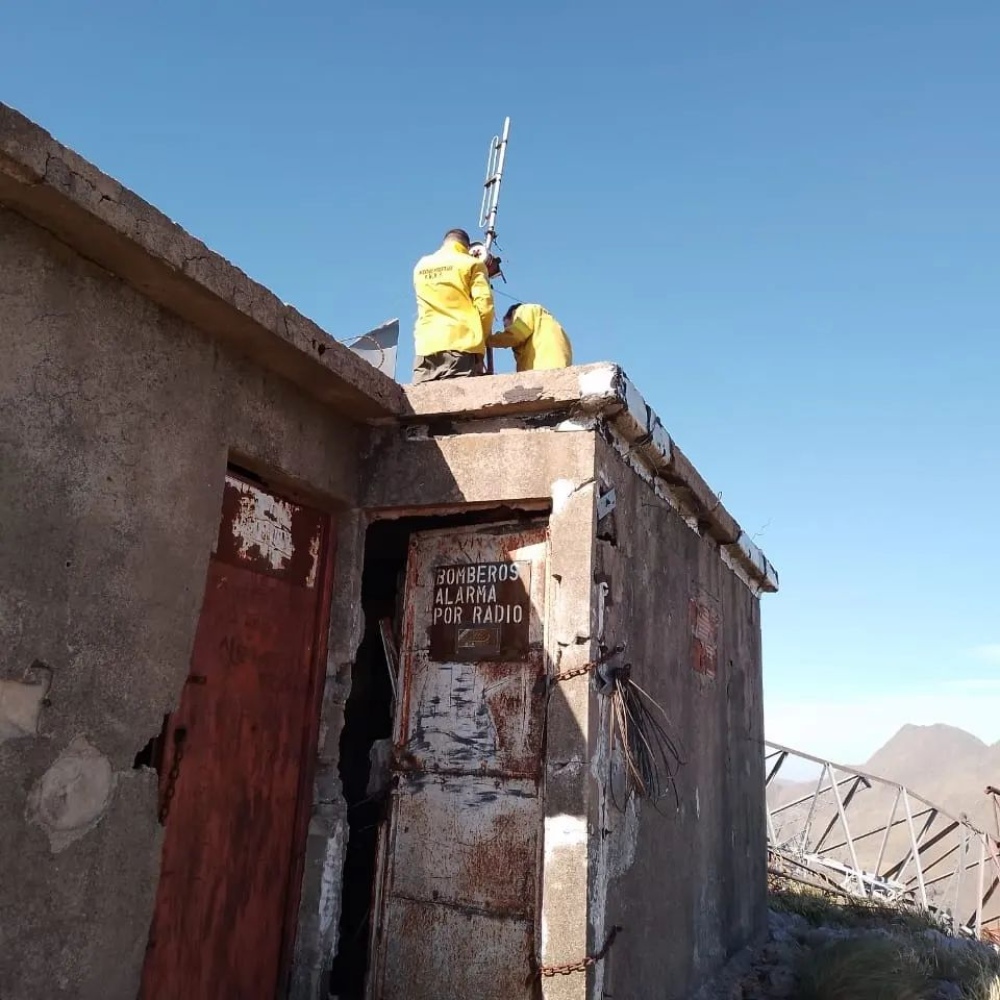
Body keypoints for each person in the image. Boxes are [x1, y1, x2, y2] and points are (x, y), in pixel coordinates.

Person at [411, 228, 495, 384]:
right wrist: (479, 346)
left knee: (423, 404)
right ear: (467, 247)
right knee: (457, 402)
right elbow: (485, 307)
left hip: (425, 346)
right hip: (460, 344)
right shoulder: (472, 263)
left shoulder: (421, 265)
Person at [488, 302, 573, 372]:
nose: (506, 330)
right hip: (557, 368)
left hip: (542, 368)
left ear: (513, 314)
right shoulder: (544, 323)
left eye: (507, 326)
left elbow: (515, 335)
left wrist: (487, 340)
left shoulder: (524, 310)